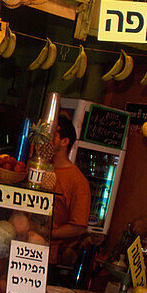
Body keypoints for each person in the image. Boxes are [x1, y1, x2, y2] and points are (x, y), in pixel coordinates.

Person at [49, 113, 92, 266]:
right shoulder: (39, 167)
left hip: (48, 257)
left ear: (65, 141)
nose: (46, 138)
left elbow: (79, 227)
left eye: (53, 134)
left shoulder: (78, 181)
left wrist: (47, 233)